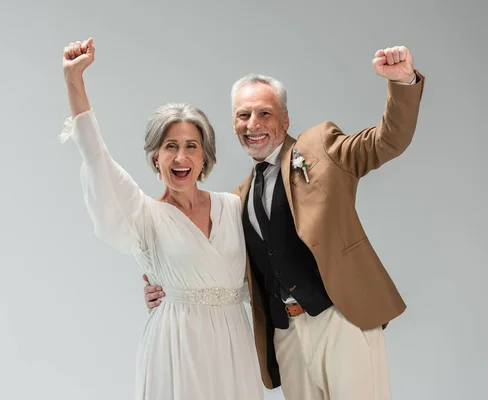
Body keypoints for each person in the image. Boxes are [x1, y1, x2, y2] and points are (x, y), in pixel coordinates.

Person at [144, 45, 425, 399]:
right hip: (286, 334)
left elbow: (385, 141)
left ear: (285, 120)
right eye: (243, 115)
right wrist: (166, 289)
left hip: (342, 319)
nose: (253, 124)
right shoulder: (237, 198)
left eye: (265, 113)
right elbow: (221, 267)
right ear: (233, 124)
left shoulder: (321, 147)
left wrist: (403, 83)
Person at [59, 38, 263, 400]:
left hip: (234, 344)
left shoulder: (233, 207)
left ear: (205, 156)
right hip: (176, 347)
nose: (180, 156)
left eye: (191, 146)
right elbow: (96, 156)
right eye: (170, 146)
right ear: (156, 157)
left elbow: (261, 273)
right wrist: (74, 80)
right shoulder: (143, 216)